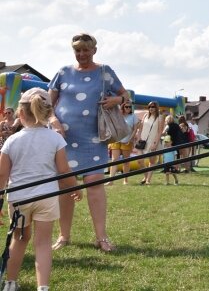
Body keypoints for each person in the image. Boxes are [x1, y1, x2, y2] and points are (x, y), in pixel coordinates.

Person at [48, 32, 128, 253]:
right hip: (64, 140)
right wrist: (54, 120)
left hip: (94, 139)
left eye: (86, 49)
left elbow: (126, 94)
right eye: (77, 50)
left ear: (94, 50)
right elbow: (48, 104)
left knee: (94, 185)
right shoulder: (63, 72)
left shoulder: (105, 72)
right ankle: (64, 235)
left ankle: (101, 237)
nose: (82, 54)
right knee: (65, 188)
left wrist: (117, 99)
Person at [0, 88, 82, 291]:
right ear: (48, 113)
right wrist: (75, 187)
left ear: (20, 114)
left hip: (18, 198)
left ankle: (10, 283)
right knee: (43, 243)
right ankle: (43, 287)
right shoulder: (55, 139)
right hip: (47, 197)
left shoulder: (12, 140)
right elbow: (64, 170)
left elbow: (2, 174)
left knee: (19, 240)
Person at [107, 101, 141, 186]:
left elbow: (135, 129)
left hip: (127, 141)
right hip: (116, 140)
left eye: (130, 107)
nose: (128, 108)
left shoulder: (133, 116)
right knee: (114, 160)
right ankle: (111, 180)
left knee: (126, 161)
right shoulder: (118, 115)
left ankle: (125, 180)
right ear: (123, 107)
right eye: (126, 107)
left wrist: (130, 139)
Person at [137, 101, 165, 186]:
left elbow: (160, 131)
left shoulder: (160, 117)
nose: (151, 108)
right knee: (140, 161)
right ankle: (146, 177)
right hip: (142, 141)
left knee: (152, 161)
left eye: (153, 107)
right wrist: (138, 137)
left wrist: (155, 143)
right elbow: (140, 128)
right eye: (149, 107)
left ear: (156, 107)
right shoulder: (145, 115)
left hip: (153, 141)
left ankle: (148, 180)